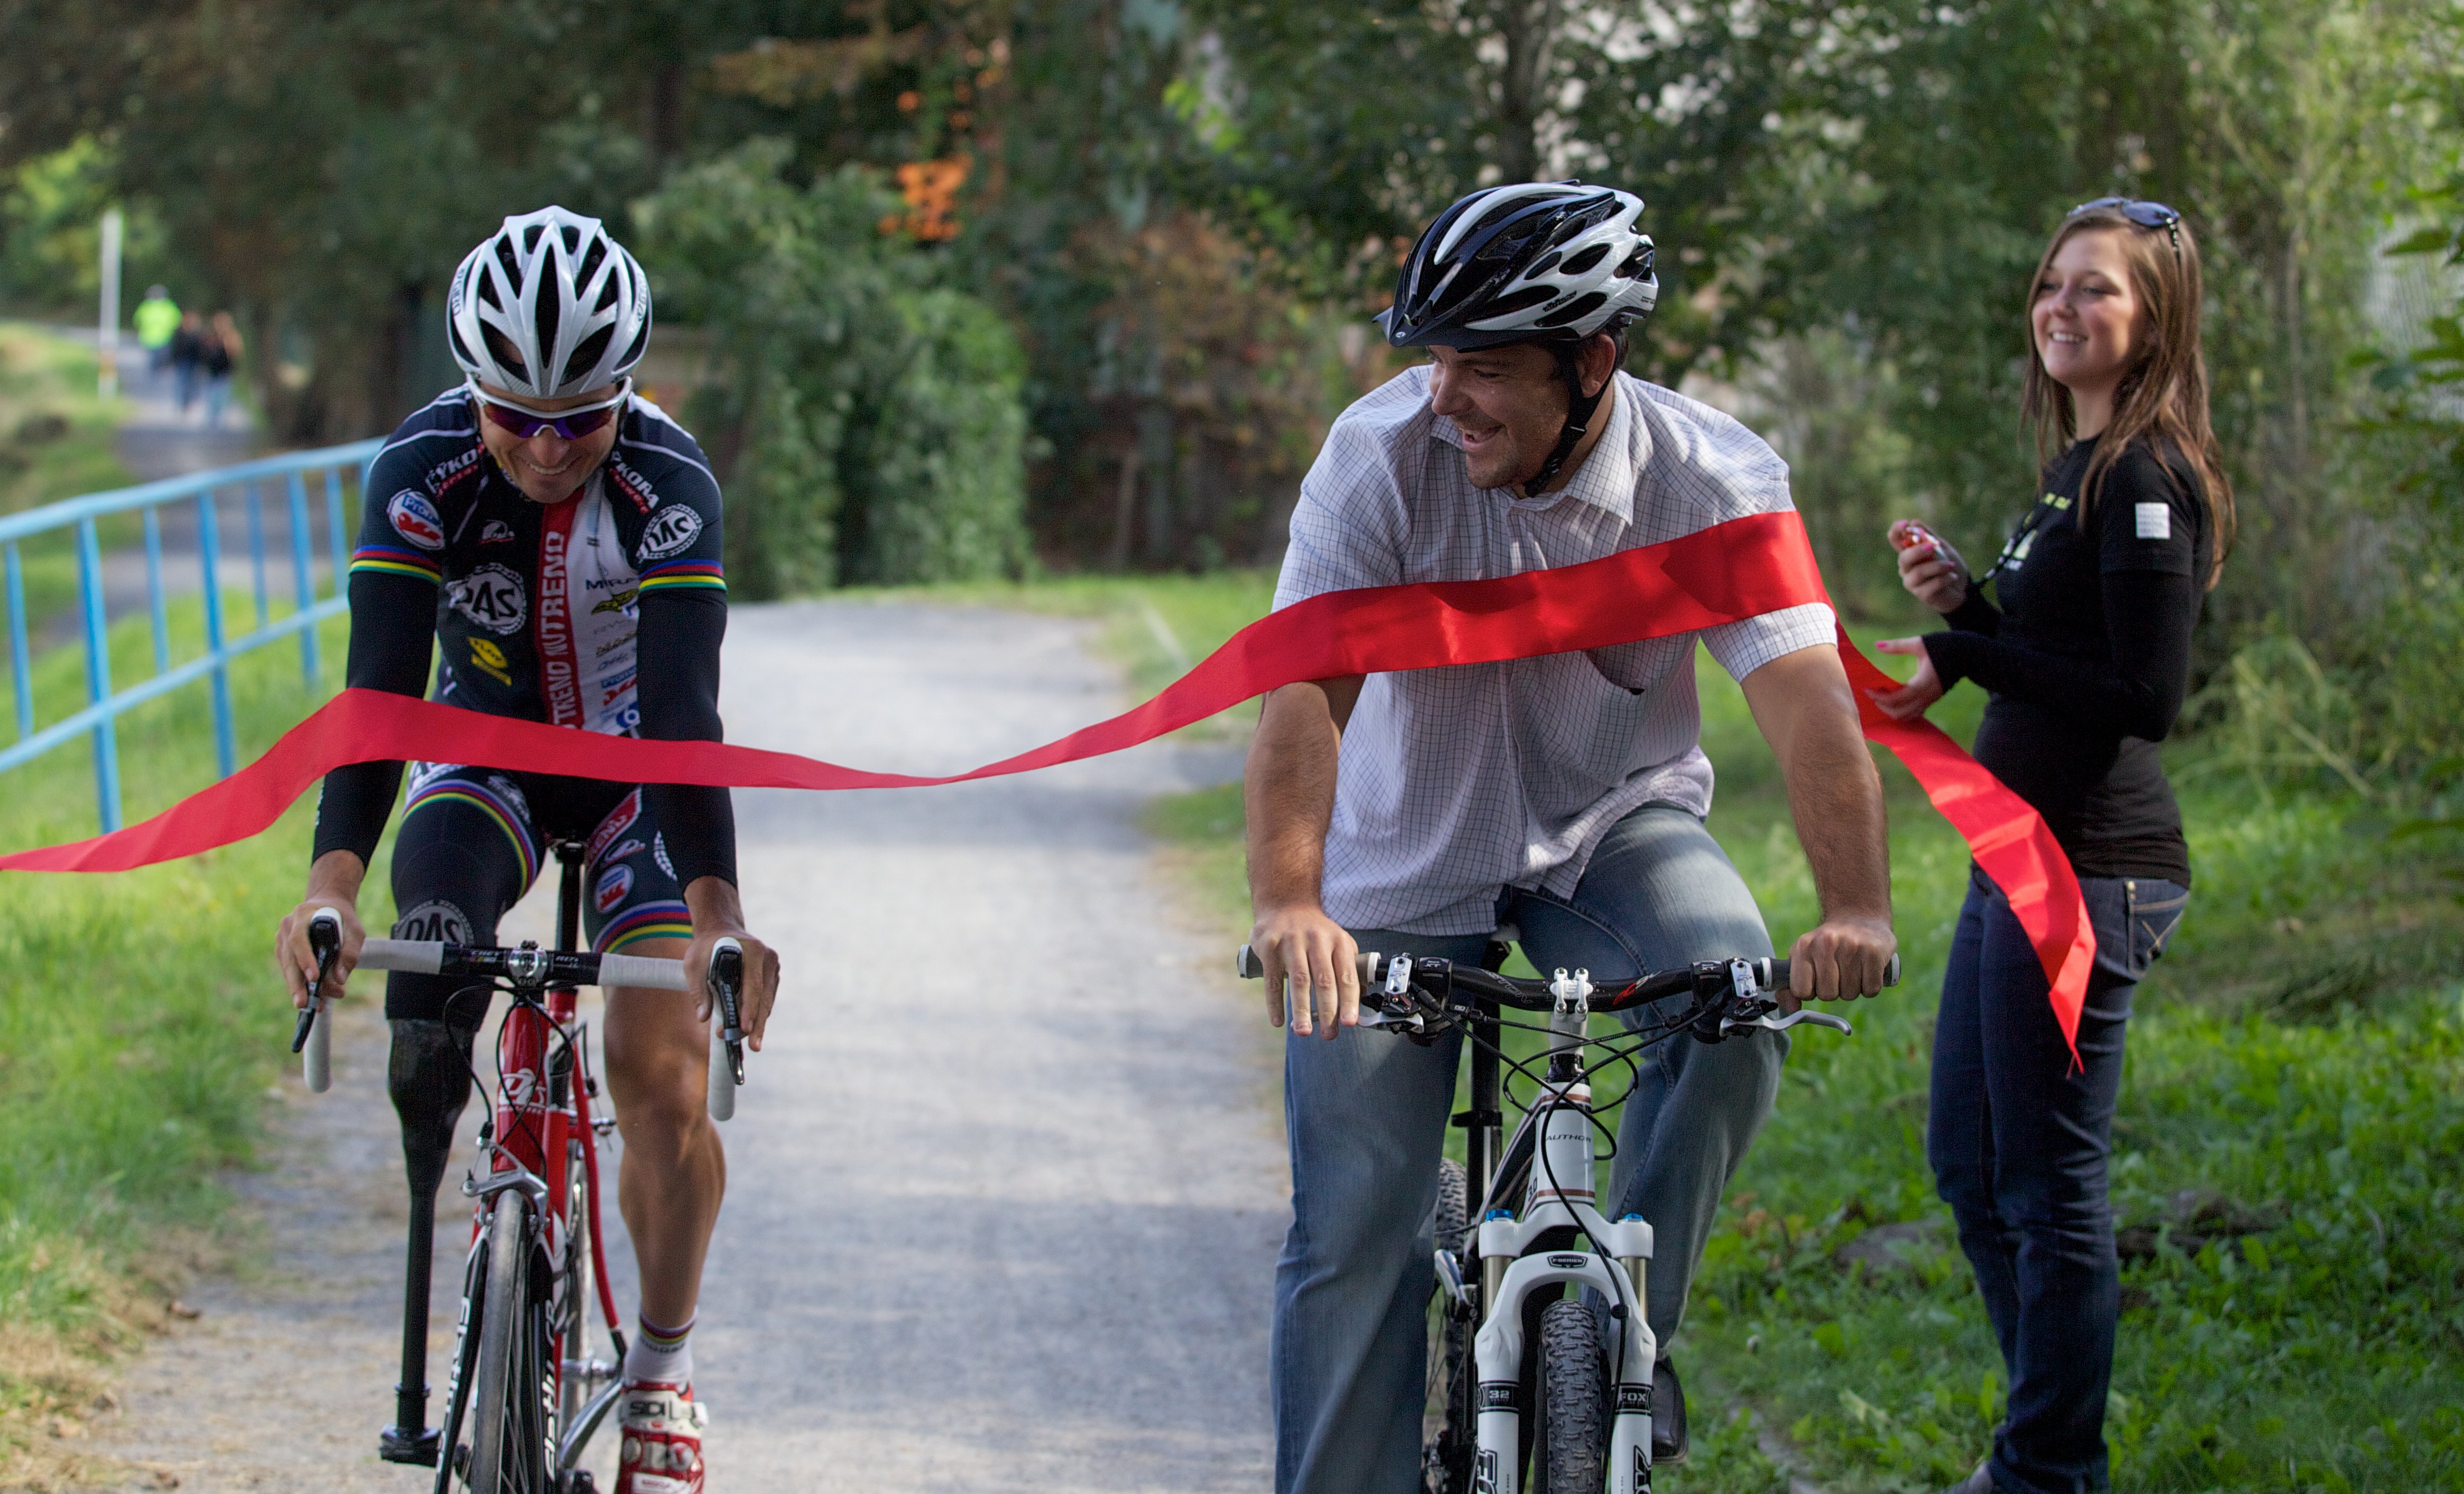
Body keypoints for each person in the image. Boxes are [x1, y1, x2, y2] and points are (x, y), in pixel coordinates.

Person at [1247, 180, 1899, 1493]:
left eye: (1482, 365)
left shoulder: (1711, 480)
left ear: (1591, 362)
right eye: (1433, 357)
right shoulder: (1373, 461)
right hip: (1397, 856)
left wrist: (1857, 907)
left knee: (1730, 999)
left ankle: (1627, 1321)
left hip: (1610, 830)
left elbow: (1809, 710)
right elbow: (1302, 696)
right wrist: (1288, 898)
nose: (1444, 396)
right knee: (1355, 1229)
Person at [273, 205, 780, 1494]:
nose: (548, 447)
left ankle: (659, 1373)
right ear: (472, 391)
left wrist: (719, 914)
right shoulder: (419, 466)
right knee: (431, 960)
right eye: (517, 416)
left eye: (581, 418)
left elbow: (683, 722)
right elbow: (379, 696)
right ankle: (472, 1183)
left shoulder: (671, 485)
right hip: (481, 750)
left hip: (631, 774)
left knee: (653, 1064)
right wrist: (331, 887)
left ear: (626, 394)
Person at [1868, 197, 2233, 1494]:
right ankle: (2042, 1449)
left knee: (2042, 1183)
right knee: (1970, 1170)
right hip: (2017, 861)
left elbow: (2144, 698)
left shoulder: (2140, 477)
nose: (2060, 307)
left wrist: (1963, 647)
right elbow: (2054, 658)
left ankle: (2045, 1469)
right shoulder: (2071, 472)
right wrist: (1970, 602)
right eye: (2051, 284)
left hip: (2089, 870)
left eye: (2097, 291)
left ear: (2152, 323)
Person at [200, 311, 241, 428]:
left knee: (223, 393)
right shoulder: (211, 336)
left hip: (225, 370)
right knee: (212, 393)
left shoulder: (232, 336)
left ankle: (221, 417)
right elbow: (204, 352)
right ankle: (211, 417)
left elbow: (235, 352)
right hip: (212, 369)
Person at [133, 286, 180, 375]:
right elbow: (177, 321)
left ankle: (155, 375)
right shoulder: (168, 306)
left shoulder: (146, 306)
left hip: (154, 338)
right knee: (158, 360)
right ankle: (156, 375)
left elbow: (137, 321)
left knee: (156, 361)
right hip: (160, 338)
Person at [169, 309, 205, 416]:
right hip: (181, 362)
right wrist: (172, 360)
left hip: (193, 362)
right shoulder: (179, 332)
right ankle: (180, 404)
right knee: (181, 383)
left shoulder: (198, 334)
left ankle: (188, 403)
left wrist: (202, 363)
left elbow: (202, 349)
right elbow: (174, 348)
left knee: (191, 384)